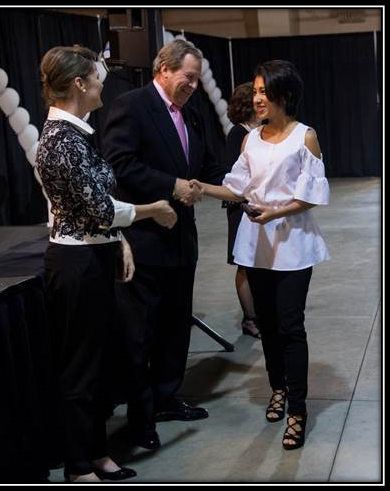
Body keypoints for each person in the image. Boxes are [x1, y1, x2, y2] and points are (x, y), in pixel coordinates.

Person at [36, 45, 177, 483]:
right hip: (76, 264)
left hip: (93, 253)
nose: (103, 83)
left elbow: (95, 211)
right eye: (98, 76)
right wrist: (154, 209)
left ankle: (96, 451)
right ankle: (79, 466)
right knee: (80, 368)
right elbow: (100, 209)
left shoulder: (77, 134)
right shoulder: (59, 142)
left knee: (99, 363)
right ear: (80, 84)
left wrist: (119, 241)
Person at [191, 60, 330, 450]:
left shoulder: (305, 137)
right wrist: (201, 186)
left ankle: (298, 411)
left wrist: (274, 212)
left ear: (284, 95)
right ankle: (277, 388)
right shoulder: (250, 139)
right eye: (254, 91)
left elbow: (312, 196)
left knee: (290, 326)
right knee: (267, 325)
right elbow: (237, 187)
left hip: (293, 246)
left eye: (263, 91)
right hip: (257, 245)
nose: (256, 98)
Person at [102, 39, 226, 450]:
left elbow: (206, 169)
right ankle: (140, 421)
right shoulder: (132, 106)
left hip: (181, 241)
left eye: (195, 79)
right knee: (140, 335)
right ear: (164, 69)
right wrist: (172, 186)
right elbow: (119, 165)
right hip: (143, 241)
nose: (192, 85)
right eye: (187, 77)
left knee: (175, 327)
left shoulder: (191, 117)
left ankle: (167, 397)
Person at [223, 82, 261, 339]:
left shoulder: (262, 131)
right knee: (245, 264)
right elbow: (231, 176)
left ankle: (261, 313)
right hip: (241, 208)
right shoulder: (238, 133)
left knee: (259, 262)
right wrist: (245, 204)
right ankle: (250, 319)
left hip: (258, 208)